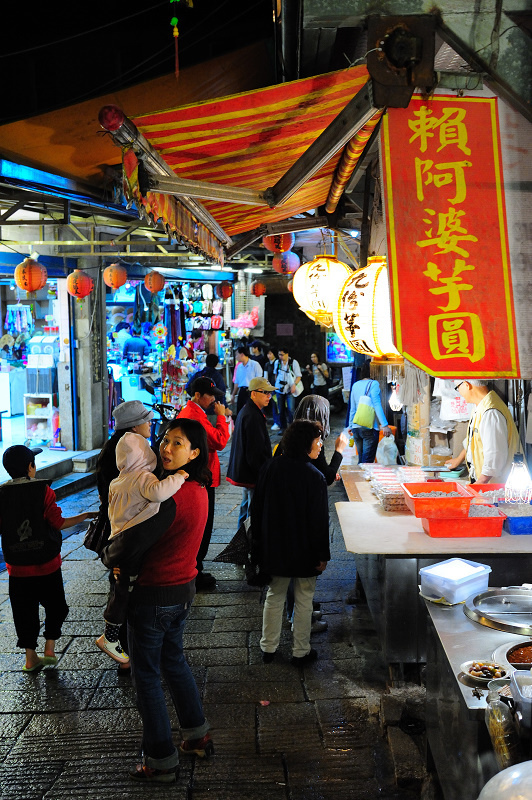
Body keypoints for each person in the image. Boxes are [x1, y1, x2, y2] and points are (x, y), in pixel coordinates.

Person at [127, 418, 214, 783]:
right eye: (165, 439)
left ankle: (161, 759)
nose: (166, 447)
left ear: (194, 453)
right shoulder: (198, 488)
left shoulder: (167, 497)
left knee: (146, 676)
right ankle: (196, 735)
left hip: (154, 594)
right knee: (173, 660)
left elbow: (132, 547)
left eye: (178, 443)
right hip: (182, 591)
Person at [0, 445, 96, 673]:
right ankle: (50, 648)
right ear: (30, 467)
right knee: (56, 606)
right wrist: (85, 515)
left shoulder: (1, 495)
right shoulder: (43, 491)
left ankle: (30, 658)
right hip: (47, 565)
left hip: (18, 569)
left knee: (24, 612)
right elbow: (58, 523)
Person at [96, 432, 188, 664]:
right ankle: (110, 637)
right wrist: (178, 478)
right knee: (125, 589)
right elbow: (159, 492)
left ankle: (113, 636)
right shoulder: (142, 478)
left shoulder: (117, 481)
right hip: (131, 544)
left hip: (118, 537)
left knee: (120, 586)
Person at [251, 420, 330, 665]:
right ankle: (301, 651)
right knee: (304, 598)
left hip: (274, 547)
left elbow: (256, 508)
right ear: (305, 444)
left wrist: (258, 545)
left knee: (275, 594)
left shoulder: (270, 467)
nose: (320, 445)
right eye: (317, 440)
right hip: (305, 551)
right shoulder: (314, 477)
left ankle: (268, 648)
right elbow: (319, 522)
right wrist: (322, 555)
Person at [95, 399, 155, 674]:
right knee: (124, 588)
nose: (150, 423)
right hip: (125, 534)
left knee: (123, 587)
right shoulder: (128, 455)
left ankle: (126, 650)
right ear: (133, 427)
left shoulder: (117, 450)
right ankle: (123, 651)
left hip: (119, 531)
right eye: (146, 420)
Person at [178, 376, 232, 591]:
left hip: (197, 476)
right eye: (210, 395)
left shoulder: (193, 412)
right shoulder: (195, 417)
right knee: (202, 526)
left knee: (200, 525)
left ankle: (194, 568)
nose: (213, 399)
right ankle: (195, 571)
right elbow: (219, 440)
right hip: (200, 478)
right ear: (198, 395)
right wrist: (221, 417)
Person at [445, 379, 519, 484]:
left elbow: (495, 456)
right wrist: (458, 460)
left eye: (458, 388)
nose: (459, 392)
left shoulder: (491, 412)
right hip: (484, 482)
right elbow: (473, 440)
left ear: (467, 385)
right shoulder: (480, 406)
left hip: (494, 485)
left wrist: (479, 483)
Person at [226, 376, 273, 529]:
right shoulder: (252, 415)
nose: (269, 396)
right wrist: (262, 473)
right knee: (253, 511)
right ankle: (248, 539)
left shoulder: (250, 411)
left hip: (247, 471)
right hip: (252, 473)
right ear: (253, 393)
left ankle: (241, 537)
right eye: (265, 392)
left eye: (270, 393)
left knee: (246, 506)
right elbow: (255, 451)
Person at [348, 362, 391, 463]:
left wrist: (350, 425)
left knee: (361, 461)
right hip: (369, 428)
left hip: (356, 428)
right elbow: (377, 404)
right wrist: (385, 425)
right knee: (367, 463)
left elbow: (352, 408)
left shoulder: (355, 385)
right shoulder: (374, 384)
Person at [273, 347, 302, 431]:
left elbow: (298, 376)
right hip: (280, 389)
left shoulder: (293, 362)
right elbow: (276, 374)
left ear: (287, 354)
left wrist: (294, 385)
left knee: (290, 409)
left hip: (290, 389)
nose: (280, 356)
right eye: (279, 355)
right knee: (280, 409)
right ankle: (283, 428)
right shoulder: (277, 362)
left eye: (282, 355)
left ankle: (293, 428)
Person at [231, 346, 262, 414]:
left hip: (252, 391)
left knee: (251, 413)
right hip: (242, 392)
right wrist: (233, 394)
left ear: (242, 354)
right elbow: (237, 382)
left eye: (237, 355)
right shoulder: (239, 367)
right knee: (240, 412)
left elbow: (259, 381)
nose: (236, 357)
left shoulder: (255, 364)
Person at [264, 347, 281, 430]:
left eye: (270, 353)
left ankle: (279, 422)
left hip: (277, 387)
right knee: (274, 405)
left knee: (277, 405)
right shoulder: (267, 364)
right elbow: (265, 376)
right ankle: (276, 422)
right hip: (270, 387)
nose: (269, 355)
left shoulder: (277, 363)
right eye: (268, 354)